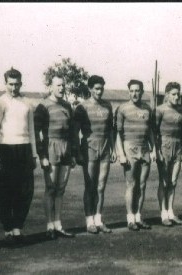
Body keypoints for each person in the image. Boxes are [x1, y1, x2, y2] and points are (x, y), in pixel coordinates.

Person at [0, 68, 37, 245]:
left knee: (25, 190)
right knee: (5, 191)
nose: (14, 87)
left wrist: (33, 154)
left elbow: (32, 130)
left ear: (21, 83)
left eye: (17, 84)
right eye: (10, 84)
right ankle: (8, 229)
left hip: (24, 149)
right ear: (5, 84)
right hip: (5, 149)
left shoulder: (27, 103)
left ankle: (18, 227)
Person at [34, 74, 77, 239]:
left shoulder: (67, 106)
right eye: (58, 85)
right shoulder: (43, 106)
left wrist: (73, 153)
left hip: (65, 148)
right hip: (51, 148)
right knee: (51, 188)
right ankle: (49, 226)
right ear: (51, 87)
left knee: (61, 189)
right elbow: (37, 134)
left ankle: (58, 224)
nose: (61, 88)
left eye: (63, 86)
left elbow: (73, 132)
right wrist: (42, 155)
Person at [74, 75, 116, 234]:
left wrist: (113, 150)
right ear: (90, 89)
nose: (100, 91)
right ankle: (89, 221)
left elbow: (110, 130)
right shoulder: (82, 107)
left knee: (101, 186)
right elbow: (75, 131)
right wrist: (78, 152)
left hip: (105, 149)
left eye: (101, 88)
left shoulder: (108, 106)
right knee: (90, 186)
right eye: (96, 88)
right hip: (89, 148)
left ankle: (98, 220)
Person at [116, 79, 156, 231]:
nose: (134, 93)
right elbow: (118, 133)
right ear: (128, 92)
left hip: (145, 149)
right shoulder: (123, 108)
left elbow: (151, 131)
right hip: (129, 148)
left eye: (137, 90)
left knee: (142, 185)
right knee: (131, 185)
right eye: (132, 90)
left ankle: (138, 217)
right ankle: (130, 218)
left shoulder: (147, 108)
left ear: (141, 91)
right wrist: (121, 153)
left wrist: (154, 150)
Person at [155, 82, 182, 227]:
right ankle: (163, 214)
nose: (176, 97)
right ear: (167, 95)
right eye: (173, 94)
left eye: (178, 94)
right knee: (164, 182)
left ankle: (170, 212)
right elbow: (154, 132)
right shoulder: (160, 110)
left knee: (173, 182)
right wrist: (156, 151)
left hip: (178, 146)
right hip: (164, 146)